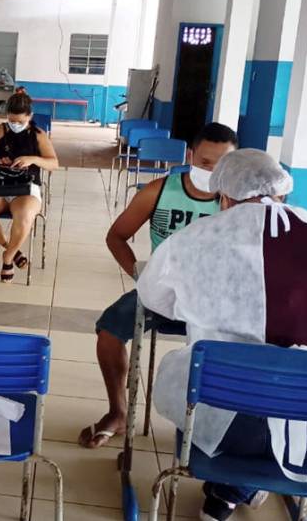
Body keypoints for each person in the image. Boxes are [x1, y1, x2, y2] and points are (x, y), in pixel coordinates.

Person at [138, 148, 307, 520]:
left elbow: (154, 297)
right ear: (282, 191)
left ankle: (231, 487)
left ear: (224, 195)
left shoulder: (197, 236)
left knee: (198, 377)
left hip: (223, 421)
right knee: (283, 393)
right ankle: (232, 492)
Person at [78, 122, 237, 448]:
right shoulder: (159, 191)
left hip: (212, 297)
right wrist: (142, 276)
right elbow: (116, 236)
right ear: (190, 156)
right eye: (206, 163)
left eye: (222, 165)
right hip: (163, 292)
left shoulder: (236, 202)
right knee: (109, 331)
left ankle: (223, 428)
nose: (212, 172)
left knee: (244, 344)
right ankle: (118, 412)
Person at [0, 93, 59, 283]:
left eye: (20, 121)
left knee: (25, 215)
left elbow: (54, 163)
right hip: (1, 186)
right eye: (11, 120)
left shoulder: (38, 135)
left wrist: (32, 159)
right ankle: (10, 247)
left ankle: (8, 258)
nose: (15, 125)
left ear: (29, 116)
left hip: (26, 189)